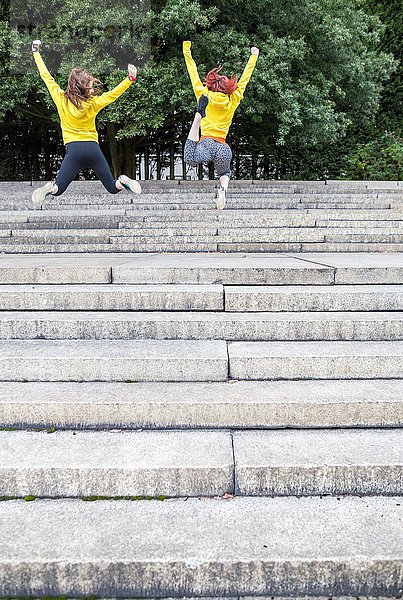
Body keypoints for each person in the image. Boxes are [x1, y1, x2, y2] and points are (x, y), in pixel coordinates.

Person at [31, 39, 141, 205]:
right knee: (112, 187)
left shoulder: (61, 99)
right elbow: (112, 95)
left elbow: (45, 76)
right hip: (92, 149)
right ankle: (124, 180)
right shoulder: (93, 103)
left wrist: (36, 52)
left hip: (73, 150)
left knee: (58, 189)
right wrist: (129, 79)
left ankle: (49, 188)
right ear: (85, 88)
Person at [183, 41, 259, 209]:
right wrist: (253, 57)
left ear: (210, 84)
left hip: (206, 143)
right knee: (224, 172)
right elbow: (245, 80)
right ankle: (223, 189)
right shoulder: (233, 99)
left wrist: (186, 49)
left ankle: (198, 115)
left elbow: (193, 73)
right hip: (224, 148)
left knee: (190, 157)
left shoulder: (203, 94)